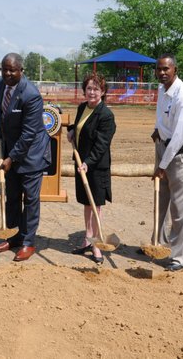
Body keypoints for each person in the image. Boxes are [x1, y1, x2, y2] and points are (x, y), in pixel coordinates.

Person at [0, 52, 50, 262]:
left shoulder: (31, 95)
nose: (8, 73)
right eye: (4, 69)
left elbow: (29, 133)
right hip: (11, 149)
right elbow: (0, 109)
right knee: (13, 196)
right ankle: (15, 235)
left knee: (31, 199)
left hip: (32, 154)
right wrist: (0, 131)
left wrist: (11, 158)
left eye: (12, 70)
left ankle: (28, 242)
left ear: (21, 71)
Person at [151, 53, 183, 272]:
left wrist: (162, 165)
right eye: (159, 69)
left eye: (166, 69)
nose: (162, 73)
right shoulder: (162, 90)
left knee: (179, 207)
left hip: (180, 153)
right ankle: (157, 245)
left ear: (175, 70)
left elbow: (179, 136)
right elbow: (163, 117)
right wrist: (157, 130)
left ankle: (179, 257)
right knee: (161, 200)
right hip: (163, 146)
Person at [67, 73, 116, 264]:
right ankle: (87, 239)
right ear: (84, 90)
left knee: (96, 205)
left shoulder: (106, 115)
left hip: (95, 167)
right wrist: (71, 129)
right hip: (81, 164)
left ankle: (96, 245)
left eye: (96, 89)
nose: (92, 92)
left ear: (103, 92)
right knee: (87, 204)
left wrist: (89, 162)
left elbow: (101, 144)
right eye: (89, 88)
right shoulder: (82, 107)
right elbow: (80, 126)